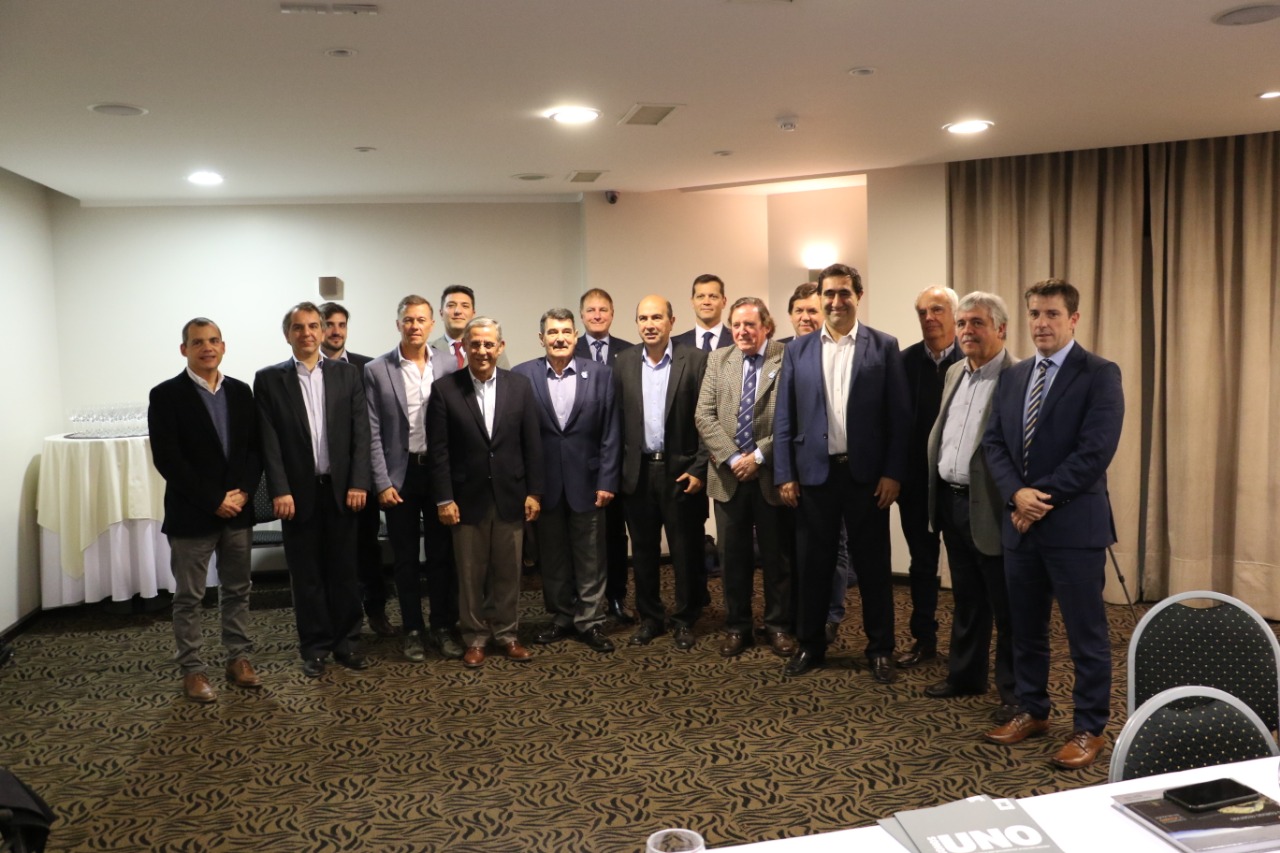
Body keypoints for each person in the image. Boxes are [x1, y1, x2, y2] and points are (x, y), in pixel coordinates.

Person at [981, 278, 1123, 770]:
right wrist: (1015, 495)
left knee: (1086, 635)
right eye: (1035, 314)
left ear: (1073, 319)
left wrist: (1037, 500)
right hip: (1021, 528)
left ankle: (1089, 727)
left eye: (1052, 314)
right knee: (1025, 629)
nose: (1041, 323)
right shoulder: (1013, 376)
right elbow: (993, 443)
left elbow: (1095, 451)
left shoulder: (1099, 374)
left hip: (1073, 528)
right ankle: (1032, 709)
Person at [774, 263, 910, 681]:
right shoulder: (797, 350)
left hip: (867, 478)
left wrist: (893, 473)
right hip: (814, 476)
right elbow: (785, 418)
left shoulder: (883, 346)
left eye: (844, 293)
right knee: (813, 566)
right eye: (829, 293)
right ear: (819, 297)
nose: (836, 301)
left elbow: (899, 418)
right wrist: (785, 473)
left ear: (858, 296)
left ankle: (880, 649)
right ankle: (810, 645)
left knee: (873, 567)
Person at [255, 302, 373, 677]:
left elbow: (361, 433)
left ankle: (348, 642)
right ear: (287, 334)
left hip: (342, 491)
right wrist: (279, 490)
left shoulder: (347, 374)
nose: (306, 333)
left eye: (312, 326)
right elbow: (269, 442)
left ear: (322, 331)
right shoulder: (269, 379)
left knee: (345, 572)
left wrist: (359, 482)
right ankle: (315, 647)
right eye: (297, 327)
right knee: (306, 575)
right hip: (296, 494)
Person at [148, 317, 262, 702]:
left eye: (213, 340)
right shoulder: (166, 395)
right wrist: (214, 500)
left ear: (223, 347)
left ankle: (238, 658)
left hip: (238, 510)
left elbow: (254, 450)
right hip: (192, 513)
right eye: (198, 342)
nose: (207, 347)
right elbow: (168, 459)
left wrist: (244, 493)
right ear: (184, 349)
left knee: (238, 589)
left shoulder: (241, 392)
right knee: (189, 597)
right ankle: (193, 669)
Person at [923, 292, 1018, 723]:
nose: (966, 331)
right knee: (966, 598)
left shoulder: (1017, 377)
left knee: (1008, 607)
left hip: (994, 509)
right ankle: (965, 675)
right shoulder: (954, 372)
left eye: (977, 323)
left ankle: (1014, 693)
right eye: (961, 323)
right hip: (952, 501)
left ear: (1001, 328)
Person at [427, 316, 543, 668]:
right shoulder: (446, 389)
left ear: (500, 347)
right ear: (464, 347)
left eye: (488, 344)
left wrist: (534, 492)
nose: (481, 350)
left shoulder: (519, 386)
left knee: (508, 573)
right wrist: (444, 498)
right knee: (470, 574)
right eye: (474, 343)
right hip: (465, 500)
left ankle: (508, 634)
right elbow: (439, 451)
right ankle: (475, 637)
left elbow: (532, 444)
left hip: (511, 495)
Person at [364, 295, 464, 662]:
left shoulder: (449, 364)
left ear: (432, 325)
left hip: (438, 473)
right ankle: (412, 629)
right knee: (405, 560)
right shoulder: (377, 369)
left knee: (441, 556)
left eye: (421, 320)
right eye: (408, 320)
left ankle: (442, 626)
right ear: (398, 325)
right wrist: (382, 482)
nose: (415, 326)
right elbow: (372, 431)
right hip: (399, 476)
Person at [515, 308, 621, 654]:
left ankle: (590, 620)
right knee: (553, 556)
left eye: (565, 331)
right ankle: (562, 616)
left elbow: (611, 432)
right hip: (543, 486)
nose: (559, 338)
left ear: (575, 336)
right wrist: (527, 488)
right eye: (552, 332)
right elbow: (518, 436)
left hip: (589, 482)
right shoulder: (523, 375)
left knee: (591, 556)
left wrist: (607, 480)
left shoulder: (601, 374)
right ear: (541, 338)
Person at [694, 297, 795, 658]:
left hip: (771, 474)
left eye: (750, 325)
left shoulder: (786, 357)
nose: (742, 331)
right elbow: (704, 415)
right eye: (736, 325)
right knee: (732, 559)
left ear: (766, 326)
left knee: (777, 558)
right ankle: (737, 626)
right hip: (729, 477)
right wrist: (735, 457)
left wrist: (758, 456)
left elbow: (793, 415)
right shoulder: (719, 359)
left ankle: (778, 626)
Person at [614, 295, 709, 649]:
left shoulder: (695, 360)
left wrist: (700, 468)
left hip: (681, 474)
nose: (649, 324)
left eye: (656, 317)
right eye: (643, 318)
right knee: (643, 552)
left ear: (672, 321)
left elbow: (708, 419)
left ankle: (685, 619)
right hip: (638, 473)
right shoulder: (623, 362)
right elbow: (617, 422)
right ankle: (650, 618)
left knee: (685, 551)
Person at [319, 301, 396, 639]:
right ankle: (335, 621)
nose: (335, 331)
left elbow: (374, 427)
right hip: (323, 480)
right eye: (328, 324)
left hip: (361, 477)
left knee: (367, 549)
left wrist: (366, 479)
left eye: (341, 324)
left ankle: (376, 611)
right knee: (329, 554)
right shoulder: (307, 369)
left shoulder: (367, 367)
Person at [895, 286, 962, 668]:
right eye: (922, 312)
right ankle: (924, 640)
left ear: (955, 315)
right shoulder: (902, 363)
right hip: (916, 485)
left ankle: (965, 648)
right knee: (921, 565)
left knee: (966, 571)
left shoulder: (972, 361)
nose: (929, 318)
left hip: (959, 487)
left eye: (937, 310)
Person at [575, 287, 637, 625]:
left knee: (615, 533)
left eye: (603, 310)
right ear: (581, 315)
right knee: (580, 535)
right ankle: (581, 599)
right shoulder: (569, 348)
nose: (597, 315)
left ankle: (616, 596)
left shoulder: (629, 352)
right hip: (579, 459)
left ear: (612, 314)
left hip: (618, 459)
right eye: (591, 310)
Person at [430, 284, 510, 369]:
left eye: (465, 306)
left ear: (473, 314)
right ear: (441, 313)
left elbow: (504, 376)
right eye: (451, 305)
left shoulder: (493, 349)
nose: (458, 311)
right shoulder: (427, 350)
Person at [672, 274, 732, 351]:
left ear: (724, 302)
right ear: (692, 302)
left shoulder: (738, 341)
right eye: (700, 296)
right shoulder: (674, 345)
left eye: (713, 297)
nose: (706, 302)